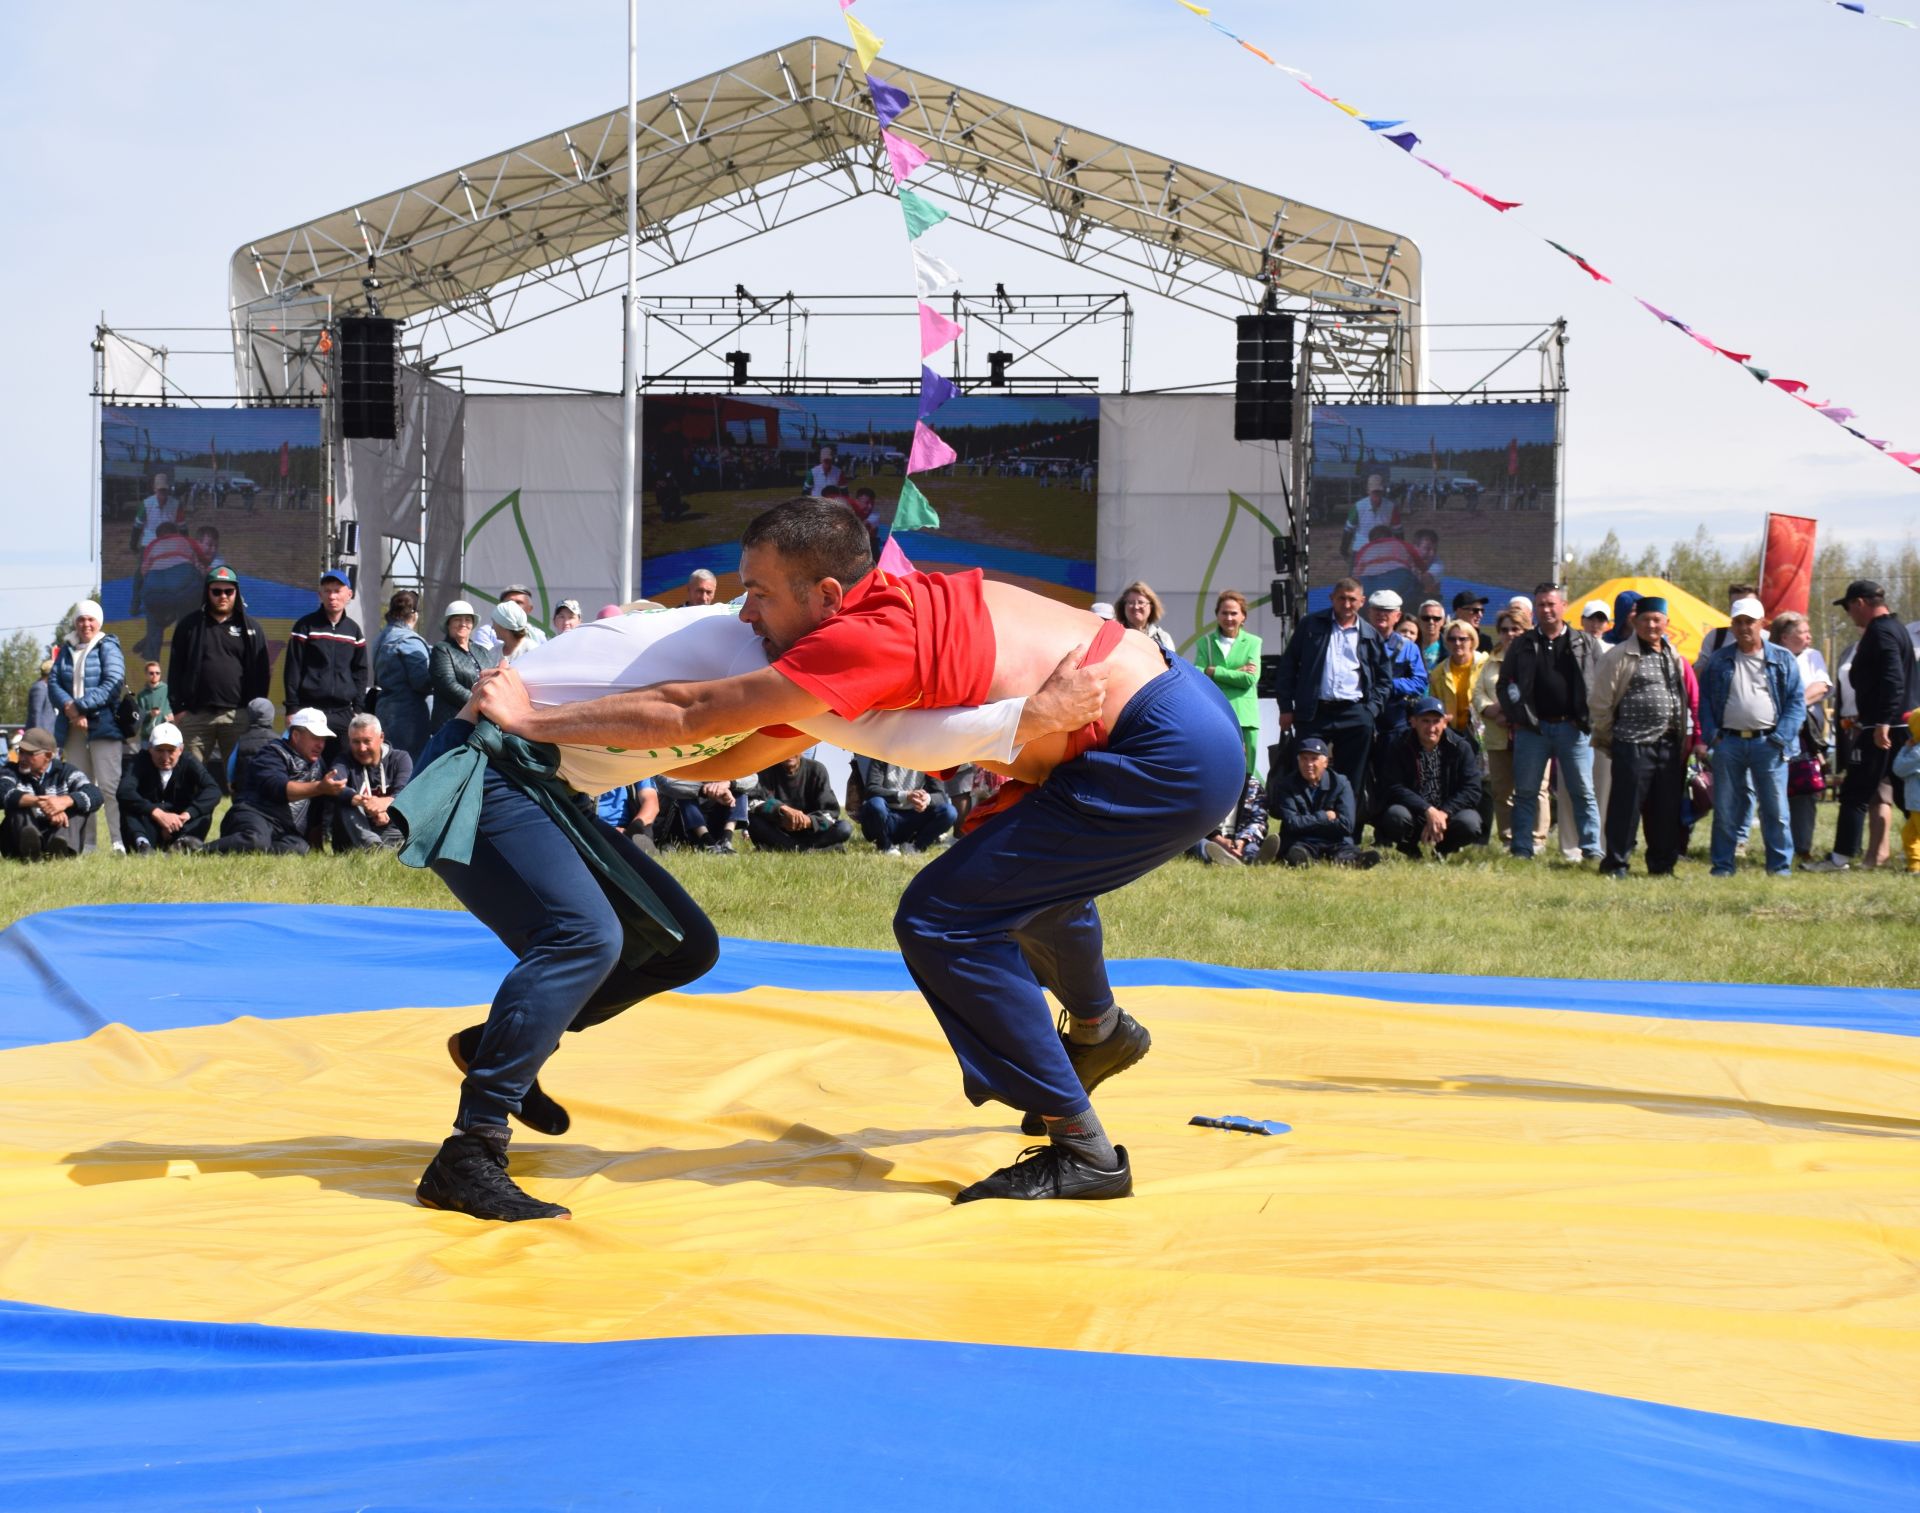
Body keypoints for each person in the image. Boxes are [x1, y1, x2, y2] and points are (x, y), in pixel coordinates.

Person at [465, 496, 1244, 1210]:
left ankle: (1085, 1149)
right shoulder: (891, 599)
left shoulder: (858, 641)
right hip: (1177, 707)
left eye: (762, 594)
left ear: (829, 595)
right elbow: (739, 746)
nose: (746, 613)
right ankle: (1099, 1030)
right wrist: (619, 762)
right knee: (1008, 872)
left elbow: (691, 707)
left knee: (944, 919)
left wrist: (536, 721)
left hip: (1159, 750)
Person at [394, 594, 1110, 1221]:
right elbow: (859, 729)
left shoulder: (796, 661)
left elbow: (802, 740)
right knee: (582, 936)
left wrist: (1010, 718)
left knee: (683, 944)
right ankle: (470, 1149)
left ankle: (500, 1049)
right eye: (754, 595)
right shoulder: (733, 643)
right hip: (487, 764)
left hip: (541, 783)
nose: (750, 611)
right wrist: (1028, 715)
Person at [1809, 581, 1915, 872]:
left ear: (1859, 602)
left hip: (1883, 728)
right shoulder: (1898, 629)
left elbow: (1894, 679)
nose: (1848, 615)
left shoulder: (1880, 632)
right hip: (1895, 724)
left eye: (1847, 607)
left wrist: (1881, 721)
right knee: (1907, 795)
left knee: (1855, 792)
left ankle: (1840, 858)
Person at [1699, 596, 1805, 878]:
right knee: (1724, 809)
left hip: (1769, 743)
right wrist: (1713, 737)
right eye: (1738, 622)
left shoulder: (1782, 658)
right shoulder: (1720, 659)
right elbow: (1705, 700)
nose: (1744, 627)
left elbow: (1797, 702)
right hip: (1729, 742)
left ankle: (1779, 869)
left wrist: (1780, 738)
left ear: (1762, 624)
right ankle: (1722, 867)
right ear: (1732, 626)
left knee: (1776, 810)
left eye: (1750, 622)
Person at [1273, 578, 1389, 828]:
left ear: (1362, 601)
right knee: (1304, 771)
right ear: (1331, 599)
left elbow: (1384, 679)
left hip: (1355, 713)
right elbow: (1288, 667)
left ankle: (1348, 836)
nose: (1347, 604)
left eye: (1352, 599)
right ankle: (1298, 831)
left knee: (1352, 779)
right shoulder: (1311, 626)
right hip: (1314, 712)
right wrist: (1286, 706)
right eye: (1341, 598)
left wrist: (1371, 710)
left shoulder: (1369, 634)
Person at [1498, 584, 1603, 861]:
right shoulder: (1522, 644)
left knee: (1583, 791)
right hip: (1534, 729)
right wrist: (1518, 716)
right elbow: (1504, 684)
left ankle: (1592, 850)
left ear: (1563, 606)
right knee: (1526, 792)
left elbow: (1602, 685)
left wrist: (1589, 719)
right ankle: (1522, 850)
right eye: (1541, 605)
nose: (1546, 609)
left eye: (1551, 604)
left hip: (1574, 728)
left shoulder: (1586, 642)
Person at [1591, 597, 1691, 878]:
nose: (1651, 625)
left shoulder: (1673, 655)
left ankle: (1662, 866)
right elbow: (1600, 703)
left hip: (1668, 745)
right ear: (1634, 622)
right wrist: (1612, 738)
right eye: (1645, 619)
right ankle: (1616, 865)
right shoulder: (1618, 655)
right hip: (1632, 743)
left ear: (1666, 623)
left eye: (1657, 620)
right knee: (1625, 808)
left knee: (1665, 809)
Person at [168, 564, 271, 792]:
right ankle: (189, 828)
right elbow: (175, 669)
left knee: (242, 783)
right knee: (188, 783)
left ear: (236, 593)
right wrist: (179, 709)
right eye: (216, 591)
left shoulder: (251, 628)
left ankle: (243, 828)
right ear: (207, 592)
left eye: (228, 591)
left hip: (238, 716)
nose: (222, 596)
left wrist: (252, 710)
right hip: (195, 717)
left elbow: (263, 673)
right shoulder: (189, 626)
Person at [204, 707, 346, 856]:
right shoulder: (271, 753)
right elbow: (278, 788)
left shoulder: (319, 764)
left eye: (323, 739)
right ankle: (199, 850)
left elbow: (316, 811)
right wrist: (320, 787)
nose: (320, 745)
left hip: (284, 829)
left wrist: (318, 850)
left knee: (300, 849)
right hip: (253, 815)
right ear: (296, 735)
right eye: (315, 738)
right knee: (256, 840)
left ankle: (254, 849)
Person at [48, 598, 127, 854]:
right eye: (81, 619)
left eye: (90, 619)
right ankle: (87, 844)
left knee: (109, 786)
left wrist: (79, 707)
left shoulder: (108, 645)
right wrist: (71, 711)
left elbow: (113, 681)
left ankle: (118, 841)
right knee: (82, 787)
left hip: (104, 727)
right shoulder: (67, 647)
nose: (85, 624)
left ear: (99, 621)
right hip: (72, 729)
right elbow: (54, 682)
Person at [1374, 697, 1486, 858]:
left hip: (1448, 815)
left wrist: (1444, 813)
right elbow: (1392, 786)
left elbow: (1472, 789)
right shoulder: (1399, 745)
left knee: (1470, 823)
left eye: (1436, 721)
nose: (1431, 727)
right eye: (1425, 721)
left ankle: (1442, 851)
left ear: (1445, 722)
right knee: (1395, 816)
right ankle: (1411, 851)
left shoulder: (1461, 747)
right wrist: (1427, 810)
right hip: (1413, 813)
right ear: (1413, 722)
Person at [1475, 610, 1548, 852]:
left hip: (1533, 733)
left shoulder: (1540, 656)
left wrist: (1513, 713)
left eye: (1515, 628)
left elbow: (1544, 691)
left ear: (1526, 630)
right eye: (1505, 629)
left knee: (1536, 788)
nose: (1510, 634)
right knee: (1501, 790)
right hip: (1498, 734)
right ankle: (1508, 838)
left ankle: (1536, 839)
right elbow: (1477, 694)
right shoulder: (1490, 660)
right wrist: (1491, 711)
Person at [1771, 610, 1832, 861]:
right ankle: (1775, 847)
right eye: (1804, 632)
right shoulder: (1768, 655)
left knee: (1805, 790)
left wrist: (1792, 707)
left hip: (1804, 737)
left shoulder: (1812, 656)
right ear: (1786, 637)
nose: (1810, 636)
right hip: (1771, 734)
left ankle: (1802, 847)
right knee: (1772, 791)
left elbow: (1821, 686)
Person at [284, 568, 369, 744]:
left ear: (349, 594)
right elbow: (293, 669)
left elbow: (360, 672)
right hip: (310, 711)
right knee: (308, 766)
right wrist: (292, 708)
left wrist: (358, 710)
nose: (332, 596)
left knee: (343, 767)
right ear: (319, 594)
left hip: (344, 713)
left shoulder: (354, 631)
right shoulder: (304, 626)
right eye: (327, 591)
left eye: (337, 591)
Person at [1270, 736, 1375, 866]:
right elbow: (1292, 823)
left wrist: (1307, 822)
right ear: (1298, 761)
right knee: (1296, 854)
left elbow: (1347, 825)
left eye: (1314, 759)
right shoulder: (1287, 785)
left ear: (1325, 762)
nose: (1308, 764)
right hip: (1301, 841)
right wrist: (1324, 816)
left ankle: (1354, 860)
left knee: (1345, 854)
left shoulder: (1340, 783)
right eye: (1304, 758)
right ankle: (1305, 861)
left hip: (1335, 841)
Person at [118, 722, 219, 854]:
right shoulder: (140, 761)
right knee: (128, 805)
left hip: (180, 824)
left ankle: (183, 844)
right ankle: (142, 846)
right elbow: (124, 791)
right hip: (149, 824)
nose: (165, 757)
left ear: (181, 749)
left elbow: (213, 790)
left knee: (205, 808)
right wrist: (157, 813)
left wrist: (187, 814)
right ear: (150, 748)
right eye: (159, 750)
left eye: (171, 751)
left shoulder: (188, 761)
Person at [0, 728, 101, 861]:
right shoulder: (10, 770)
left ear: (48, 756)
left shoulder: (66, 771)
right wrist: (41, 802)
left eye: (29, 754)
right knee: (18, 804)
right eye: (21, 751)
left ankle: (61, 848)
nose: (22, 758)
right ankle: (30, 848)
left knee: (79, 806)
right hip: (19, 839)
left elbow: (95, 794)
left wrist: (64, 802)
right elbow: (3, 792)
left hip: (56, 830)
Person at [1192, 589, 1262, 776]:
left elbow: (1250, 679)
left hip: (1245, 717)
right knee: (1217, 769)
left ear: (1243, 616)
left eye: (1234, 613)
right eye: (1224, 612)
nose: (1229, 617)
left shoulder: (1254, 642)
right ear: (1217, 615)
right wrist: (1234, 673)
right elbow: (1197, 674)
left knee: (1245, 772)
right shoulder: (1204, 642)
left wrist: (1214, 671)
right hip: (1216, 712)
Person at [329, 712, 413, 852]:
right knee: (346, 804)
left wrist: (386, 805)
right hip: (357, 830)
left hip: (390, 827)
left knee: (407, 807)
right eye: (356, 742)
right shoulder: (344, 760)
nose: (362, 748)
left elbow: (405, 792)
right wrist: (364, 802)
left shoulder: (400, 759)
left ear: (381, 738)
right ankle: (373, 847)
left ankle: (388, 847)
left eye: (367, 741)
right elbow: (334, 784)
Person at [1368, 590, 1431, 776]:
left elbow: (1420, 682)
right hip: (1362, 718)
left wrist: (1388, 685)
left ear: (1397, 616)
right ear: (1369, 612)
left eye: (1387, 610)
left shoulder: (1408, 647)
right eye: (1377, 609)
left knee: (1392, 775)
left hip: (1394, 722)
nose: (1381, 614)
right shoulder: (1356, 642)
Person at [370, 590, 432, 760]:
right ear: (414, 614)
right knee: (409, 770)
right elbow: (422, 682)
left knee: (389, 767)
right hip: (409, 718)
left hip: (384, 712)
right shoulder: (410, 641)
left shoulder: (380, 638)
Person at [748, 752, 853, 852]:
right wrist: (782, 809)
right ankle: (810, 849)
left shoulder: (817, 769)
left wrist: (808, 821)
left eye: (794, 749)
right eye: (785, 749)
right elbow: (753, 803)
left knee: (844, 828)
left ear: (802, 749)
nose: (789, 754)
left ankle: (790, 848)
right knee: (753, 821)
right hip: (779, 830)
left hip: (811, 832)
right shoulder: (766, 770)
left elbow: (831, 813)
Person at [854, 760, 958, 854]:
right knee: (875, 804)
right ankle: (885, 845)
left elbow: (940, 795)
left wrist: (927, 799)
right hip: (886, 817)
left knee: (949, 812)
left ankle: (916, 847)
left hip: (913, 817)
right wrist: (905, 796)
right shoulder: (881, 755)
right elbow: (871, 790)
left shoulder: (928, 759)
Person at [429, 600, 498, 733]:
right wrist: (480, 702)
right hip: (450, 723)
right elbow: (448, 685)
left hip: (481, 723)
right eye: (457, 619)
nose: (463, 624)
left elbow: (493, 678)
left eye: (468, 619)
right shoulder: (442, 649)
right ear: (448, 623)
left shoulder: (481, 651)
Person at [1196, 773, 1268, 865]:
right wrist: (1218, 839)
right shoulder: (1206, 782)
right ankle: (1220, 858)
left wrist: (1242, 841)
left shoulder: (1253, 785)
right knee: (1201, 844)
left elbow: (1259, 820)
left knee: (1251, 847)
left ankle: (1251, 858)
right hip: (1210, 837)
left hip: (1240, 837)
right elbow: (1196, 816)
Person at [1693, 583, 1765, 673]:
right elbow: (1699, 672)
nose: (1743, 610)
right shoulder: (1716, 637)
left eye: (1748, 605)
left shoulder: (1769, 640)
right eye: (1737, 605)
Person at [1341, 474, 1398, 565]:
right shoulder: (1358, 507)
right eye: (1374, 492)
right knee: (1354, 577)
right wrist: (1343, 550)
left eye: (1379, 491)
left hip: (1383, 549)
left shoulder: (1391, 507)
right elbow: (1348, 530)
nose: (1377, 495)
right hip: (1361, 548)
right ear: (1368, 491)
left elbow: (1398, 530)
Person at [228, 697, 278, 794]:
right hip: (271, 793)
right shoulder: (278, 741)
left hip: (244, 794)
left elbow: (231, 767)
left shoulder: (240, 740)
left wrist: (231, 782)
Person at [1891, 709, 1920, 873]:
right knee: (1909, 835)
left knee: (1912, 835)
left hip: (1918, 804)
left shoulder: (1917, 752)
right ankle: (1915, 866)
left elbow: (1899, 769)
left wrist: (1905, 748)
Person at [1116, 580, 1177, 656]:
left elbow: (1173, 666)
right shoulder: (1114, 634)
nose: (1136, 606)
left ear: (1151, 606)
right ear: (1123, 606)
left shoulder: (1163, 638)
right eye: (1131, 602)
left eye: (1141, 602)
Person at [128, 660, 173, 751]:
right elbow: (138, 716)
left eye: (157, 673)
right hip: (147, 737)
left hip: (166, 735)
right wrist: (150, 714)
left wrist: (172, 715)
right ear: (146, 674)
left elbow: (175, 707)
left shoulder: (168, 689)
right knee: (146, 763)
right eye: (151, 673)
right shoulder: (142, 694)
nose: (155, 675)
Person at [1413, 600, 1447, 668]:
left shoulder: (1451, 645)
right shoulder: (1411, 645)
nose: (1431, 622)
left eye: (1436, 618)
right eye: (1426, 618)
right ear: (1418, 620)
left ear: (1443, 621)